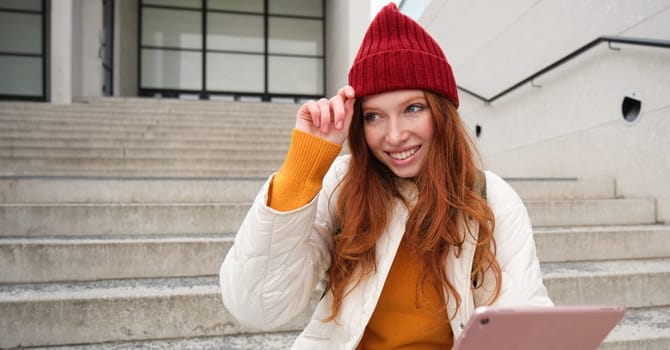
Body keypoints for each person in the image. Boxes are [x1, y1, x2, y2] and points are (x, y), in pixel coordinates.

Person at [219, 3, 552, 349]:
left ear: (442, 112)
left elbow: (522, 318)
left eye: (413, 109)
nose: (394, 136)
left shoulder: (491, 196)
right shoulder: (342, 185)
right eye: (374, 116)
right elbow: (255, 306)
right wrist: (301, 173)